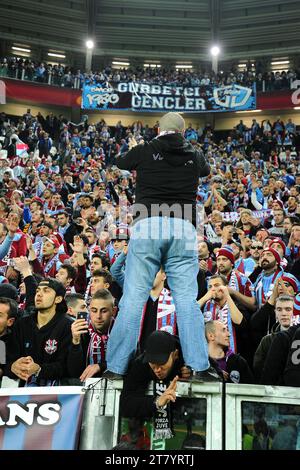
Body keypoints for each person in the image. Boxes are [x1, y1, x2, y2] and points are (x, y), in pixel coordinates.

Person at [104, 112, 214, 381]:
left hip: (148, 224)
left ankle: (116, 368)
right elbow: (206, 171)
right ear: (183, 131)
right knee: (187, 301)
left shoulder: (145, 149)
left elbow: (118, 162)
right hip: (183, 228)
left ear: (159, 129)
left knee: (133, 299)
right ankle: (200, 366)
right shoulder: (195, 153)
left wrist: (133, 150)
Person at [120, 330, 191, 437]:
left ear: (175, 355)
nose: (157, 369)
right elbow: (126, 404)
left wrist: (195, 372)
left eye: (162, 364)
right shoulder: (141, 364)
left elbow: (213, 370)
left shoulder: (189, 354)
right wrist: (157, 402)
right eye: (153, 364)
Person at [5, 278, 72, 386]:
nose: (39, 294)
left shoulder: (68, 326)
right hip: (20, 391)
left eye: (46, 290)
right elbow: (7, 359)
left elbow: (68, 367)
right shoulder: (22, 324)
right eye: (38, 291)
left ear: (58, 299)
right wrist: (12, 366)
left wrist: (39, 369)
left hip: (56, 394)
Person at [67, 289, 115, 381]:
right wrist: (76, 342)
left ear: (113, 311)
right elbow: (74, 372)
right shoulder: (81, 331)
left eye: (104, 311)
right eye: (94, 311)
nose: (98, 316)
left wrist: (101, 366)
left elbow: (128, 363)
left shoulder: (122, 331)